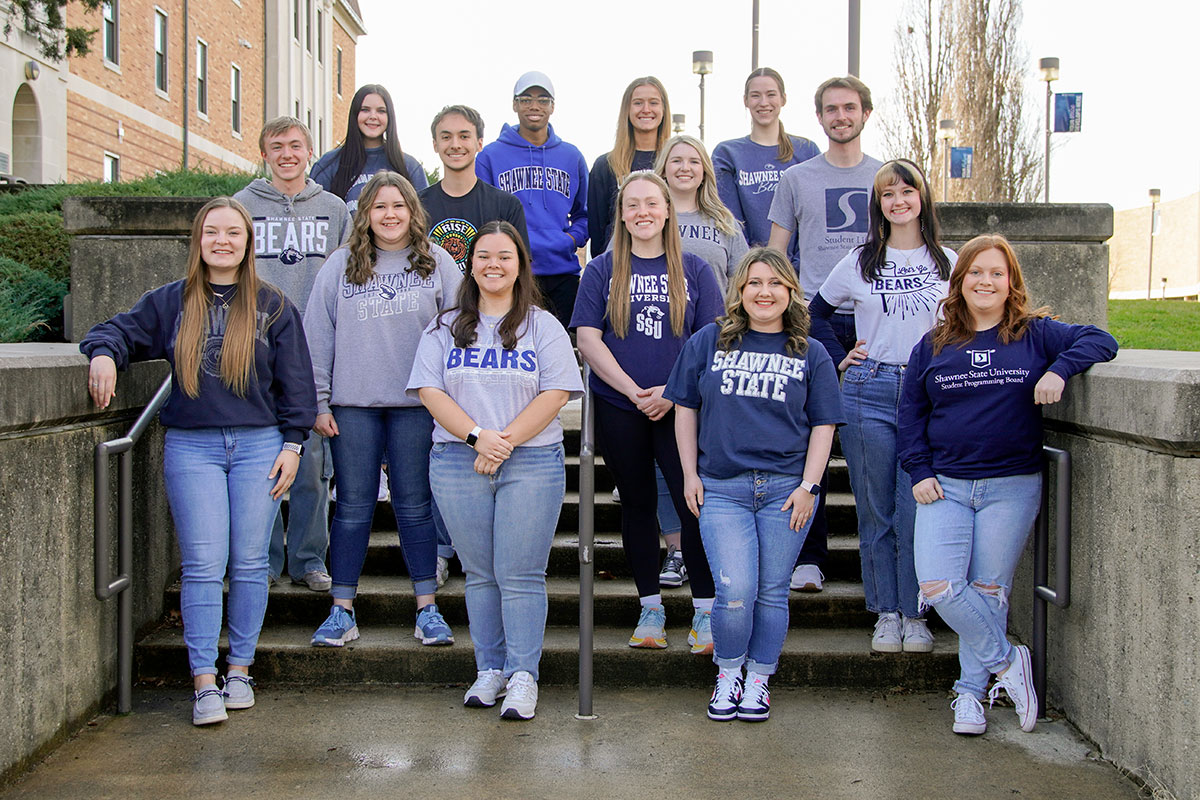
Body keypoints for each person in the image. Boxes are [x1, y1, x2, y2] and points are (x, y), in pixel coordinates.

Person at [81, 197, 317, 726]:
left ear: (248, 241)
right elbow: (116, 330)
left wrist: (293, 445)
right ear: (199, 240)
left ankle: (240, 669)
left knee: (251, 561)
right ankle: (204, 682)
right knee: (206, 564)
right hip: (194, 448)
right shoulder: (171, 303)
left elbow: (297, 386)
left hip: (260, 444)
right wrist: (102, 354)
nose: (223, 241)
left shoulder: (274, 305)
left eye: (234, 232)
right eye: (212, 232)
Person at [898, 235, 1117, 735]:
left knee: (989, 590)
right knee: (937, 583)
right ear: (960, 282)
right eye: (976, 272)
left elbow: (1102, 341)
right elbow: (910, 413)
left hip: (1010, 487)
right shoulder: (933, 344)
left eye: (997, 273)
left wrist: (1060, 369)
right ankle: (1008, 662)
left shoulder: (1035, 335)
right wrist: (919, 470)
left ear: (1010, 281)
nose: (986, 281)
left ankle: (970, 695)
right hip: (945, 486)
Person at [410, 220, 584, 721]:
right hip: (458, 459)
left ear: (520, 265)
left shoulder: (543, 325)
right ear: (471, 263)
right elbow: (430, 391)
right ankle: (490, 669)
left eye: (505, 256)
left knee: (521, 573)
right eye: (484, 255)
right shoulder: (444, 327)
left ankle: (524, 674)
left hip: (530, 460)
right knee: (481, 573)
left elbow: (555, 394)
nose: (494, 264)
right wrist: (476, 437)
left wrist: (501, 442)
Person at [667, 247, 843, 722]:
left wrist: (810, 486)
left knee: (771, 592)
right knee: (736, 590)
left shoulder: (811, 351)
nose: (764, 292)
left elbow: (824, 425)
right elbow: (685, 409)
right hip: (722, 487)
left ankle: (759, 680)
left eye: (775, 284)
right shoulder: (709, 341)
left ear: (790, 291)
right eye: (754, 283)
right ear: (739, 291)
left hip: (787, 491)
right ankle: (729, 675)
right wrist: (689, 474)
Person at [304, 171, 462, 649]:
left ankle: (427, 609)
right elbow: (318, 336)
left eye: (398, 206)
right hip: (354, 407)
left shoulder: (436, 264)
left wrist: (451, 404)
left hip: (417, 407)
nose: (389, 215)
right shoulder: (339, 266)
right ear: (364, 215)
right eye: (379, 207)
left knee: (414, 507)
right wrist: (317, 400)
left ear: (413, 212)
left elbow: (460, 331)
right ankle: (342, 611)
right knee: (352, 508)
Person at [571, 171, 723, 653]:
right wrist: (634, 390)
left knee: (690, 505)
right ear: (620, 213)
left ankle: (705, 612)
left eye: (651, 203)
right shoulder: (601, 269)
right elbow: (587, 338)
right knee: (637, 505)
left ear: (667, 210)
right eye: (632, 204)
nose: (642, 212)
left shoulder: (695, 270)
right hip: (621, 405)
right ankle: (651, 608)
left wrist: (671, 391)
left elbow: (710, 341)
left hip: (680, 409)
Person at [810, 159, 954, 654]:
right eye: (888, 194)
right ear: (878, 205)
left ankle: (916, 614)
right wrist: (837, 356)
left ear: (922, 199)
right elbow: (813, 313)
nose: (898, 201)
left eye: (907, 192)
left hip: (928, 396)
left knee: (916, 507)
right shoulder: (859, 260)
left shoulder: (948, 262)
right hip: (868, 388)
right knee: (875, 513)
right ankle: (885, 613)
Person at [767, 75, 883, 594]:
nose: (841, 116)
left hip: (880, 316)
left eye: (849, 108)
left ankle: (882, 559)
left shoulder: (887, 178)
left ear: (865, 113)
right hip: (817, 318)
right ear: (819, 117)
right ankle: (808, 556)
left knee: (876, 441)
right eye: (831, 109)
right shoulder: (796, 179)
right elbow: (774, 255)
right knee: (808, 436)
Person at [234, 116, 349, 593]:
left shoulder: (334, 209)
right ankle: (262, 559)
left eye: (295, 145)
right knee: (261, 460)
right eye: (277, 146)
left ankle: (307, 559)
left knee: (312, 464)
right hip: (255, 351)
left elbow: (348, 278)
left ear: (309, 152)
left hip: (311, 353)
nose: (287, 153)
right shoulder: (242, 205)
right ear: (265, 153)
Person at [476, 71, 588, 330]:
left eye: (543, 99)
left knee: (562, 354)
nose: (534, 106)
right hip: (511, 274)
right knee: (513, 348)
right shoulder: (490, 156)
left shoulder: (572, 156)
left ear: (553, 107)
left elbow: (584, 215)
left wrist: (570, 240)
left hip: (562, 274)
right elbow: (483, 217)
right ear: (514, 105)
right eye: (526, 99)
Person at [712, 67, 820, 258]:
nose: (764, 102)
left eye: (771, 95)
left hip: (799, 270)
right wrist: (753, 266)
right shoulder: (727, 154)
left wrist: (793, 267)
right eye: (755, 95)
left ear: (783, 99)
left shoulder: (807, 150)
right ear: (745, 100)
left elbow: (814, 216)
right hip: (748, 268)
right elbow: (729, 220)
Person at [420, 104, 530, 273]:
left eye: (464, 136)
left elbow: (519, 270)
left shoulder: (507, 206)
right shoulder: (417, 205)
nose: (455, 144)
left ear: (479, 144)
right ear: (435, 144)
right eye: (446, 137)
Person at [310, 84, 428, 216]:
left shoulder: (409, 166)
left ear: (390, 117)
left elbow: (423, 220)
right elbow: (313, 215)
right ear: (355, 114)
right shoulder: (329, 164)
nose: (373, 116)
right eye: (365, 110)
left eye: (381, 111)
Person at [588, 77, 672, 258]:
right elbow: (598, 233)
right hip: (620, 266)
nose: (646, 109)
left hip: (667, 265)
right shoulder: (606, 165)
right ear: (627, 109)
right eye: (638, 103)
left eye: (653, 102)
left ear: (664, 110)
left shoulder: (675, 164)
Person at [655, 134, 749, 291]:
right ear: (664, 169)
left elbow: (743, 283)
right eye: (676, 160)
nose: (685, 167)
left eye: (694, 161)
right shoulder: (645, 218)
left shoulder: (724, 222)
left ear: (704, 171)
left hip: (714, 315)